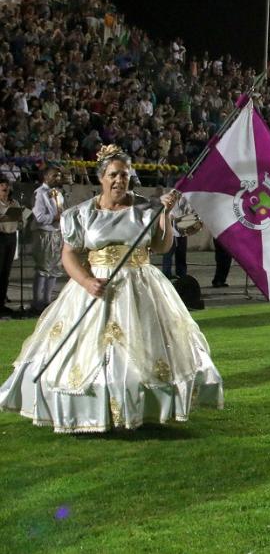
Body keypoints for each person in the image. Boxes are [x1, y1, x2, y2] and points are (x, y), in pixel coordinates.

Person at [0, 145, 223, 433]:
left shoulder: (147, 207)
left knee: (144, 352)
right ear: (102, 178)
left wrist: (164, 215)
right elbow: (68, 254)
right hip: (95, 286)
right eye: (114, 175)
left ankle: (143, 409)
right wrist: (86, 281)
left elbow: (161, 246)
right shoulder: (81, 214)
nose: (120, 180)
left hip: (141, 284)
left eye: (125, 175)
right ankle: (91, 410)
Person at [31, 165, 66, 314]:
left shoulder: (58, 193)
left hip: (57, 233)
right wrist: (54, 217)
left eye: (58, 176)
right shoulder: (40, 194)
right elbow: (39, 216)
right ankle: (37, 301)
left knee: (55, 268)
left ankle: (47, 300)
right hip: (44, 234)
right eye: (54, 176)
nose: (57, 178)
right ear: (45, 177)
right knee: (43, 268)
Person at [0, 179, 21, 317]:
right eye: (2, 186)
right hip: (0, 237)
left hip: (11, 237)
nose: (5, 188)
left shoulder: (14, 203)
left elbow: (19, 218)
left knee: (6, 272)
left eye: (7, 186)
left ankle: (2, 303)